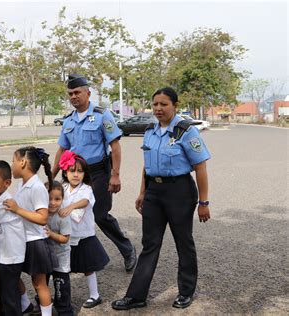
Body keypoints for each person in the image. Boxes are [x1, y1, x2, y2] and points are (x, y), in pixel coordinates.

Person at [111, 87, 211, 310]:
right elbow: (148, 166)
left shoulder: (186, 132)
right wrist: (143, 192)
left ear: (175, 105)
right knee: (150, 244)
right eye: (155, 104)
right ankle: (136, 296)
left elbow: (201, 167)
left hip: (180, 192)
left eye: (164, 104)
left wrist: (204, 202)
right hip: (154, 194)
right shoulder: (149, 130)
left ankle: (185, 292)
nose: (158, 108)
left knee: (183, 242)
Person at [52, 74, 136, 272]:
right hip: (74, 176)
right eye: (70, 94)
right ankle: (73, 258)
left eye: (77, 92)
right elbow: (62, 150)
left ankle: (127, 249)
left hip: (99, 173)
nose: (73, 97)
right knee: (70, 213)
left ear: (88, 93)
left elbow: (115, 146)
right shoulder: (68, 120)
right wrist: (51, 176)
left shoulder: (102, 115)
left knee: (99, 214)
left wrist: (115, 175)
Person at [3, 146, 56, 316]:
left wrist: (17, 209)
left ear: (23, 162)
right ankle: (26, 304)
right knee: (12, 274)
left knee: (39, 283)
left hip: (35, 241)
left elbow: (42, 218)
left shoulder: (37, 187)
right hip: (20, 240)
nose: (12, 165)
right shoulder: (21, 184)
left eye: (13, 161)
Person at [58, 150, 109, 309]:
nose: (76, 174)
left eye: (80, 171)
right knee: (63, 268)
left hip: (84, 235)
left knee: (88, 267)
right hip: (66, 235)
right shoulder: (62, 188)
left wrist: (71, 205)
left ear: (85, 174)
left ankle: (95, 295)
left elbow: (85, 202)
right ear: (65, 172)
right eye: (72, 171)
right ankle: (63, 298)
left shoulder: (86, 188)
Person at [0, 160, 26, 316]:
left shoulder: (7, 202)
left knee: (8, 295)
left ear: (7, 183)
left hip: (11, 256)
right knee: (4, 292)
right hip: (4, 256)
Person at [45, 180, 73, 316]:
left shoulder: (63, 217)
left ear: (62, 199)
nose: (52, 202)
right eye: (49, 198)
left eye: (57, 199)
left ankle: (64, 310)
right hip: (46, 256)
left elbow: (65, 239)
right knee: (42, 281)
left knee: (60, 284)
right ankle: (44, 304)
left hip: (61, 257)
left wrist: (50, 234)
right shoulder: (42, 214)